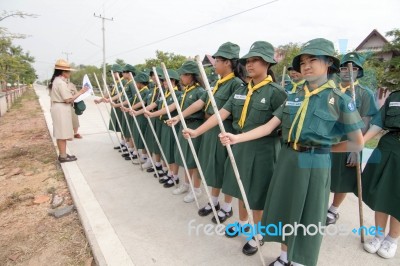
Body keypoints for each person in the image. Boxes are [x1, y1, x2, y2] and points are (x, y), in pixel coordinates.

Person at [219, 38, 364, 266]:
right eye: (303, 61)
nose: (306, 65)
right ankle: (284, 255)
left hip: (314, 163)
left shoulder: (340, 100)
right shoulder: (294, 97)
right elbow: (268, 127)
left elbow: (357, 142)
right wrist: (237, 137)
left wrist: (325, 149)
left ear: (329, 63)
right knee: (285, 207)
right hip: (287, 158)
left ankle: (298, 260)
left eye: (313, 60)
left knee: (308, 213)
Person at [183, 41, 287, 255]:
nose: (250, 65)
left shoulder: (277, 92)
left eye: (255, 60)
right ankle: (241, 223)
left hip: (263, 150)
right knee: (241, 190)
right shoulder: (241, 90)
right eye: (248, 61)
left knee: (256, 195)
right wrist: (197, 131)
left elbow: (276, 128)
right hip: (240, 146)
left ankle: (257, 233)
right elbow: (222, 113)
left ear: (268, 63)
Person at [168, 42, 245, 223]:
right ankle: (214, 201)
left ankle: (226, 207)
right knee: (212, 167)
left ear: (228, 62)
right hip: (210, 128)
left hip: (224, 129)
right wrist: (179, 117)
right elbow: (200, 103)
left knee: (224, 169)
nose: (215, 63)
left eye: (218, 60)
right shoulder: (216, 82)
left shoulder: (236, 84)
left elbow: (226, 112)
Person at [327, 52, 378, 225]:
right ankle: (319, 205)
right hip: (328, 140)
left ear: (359, 71)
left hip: (348, 141)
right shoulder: (330, 90)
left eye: (353, 68)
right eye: (343, 67)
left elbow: (366, 121)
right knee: (323, 173)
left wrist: (356, 148)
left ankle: (333, 210)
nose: (347, 71)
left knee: (343, 178)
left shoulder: (364, 94)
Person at [361, 89, 400, 259]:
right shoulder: (395, 96)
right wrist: (361, 141)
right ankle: (378, 235)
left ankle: (392, 239)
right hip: (388, 146)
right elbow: (379, 122)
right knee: (381, 191)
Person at [163, 61, 206, 203]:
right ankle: (186, 184)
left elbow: (198, 108)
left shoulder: (200, 91)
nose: (181, 77)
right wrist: (177, 119)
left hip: (194, 126)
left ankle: (197, 189)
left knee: (193, 160)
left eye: (183, 74)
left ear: (191, 75)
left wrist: (178, 118)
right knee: (185, 158)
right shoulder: (185, 91)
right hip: (184, 125)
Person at [143, 69, 182, 186]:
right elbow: (154, 104)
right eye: (164, 80)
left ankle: (174, 176)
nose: (164, 82)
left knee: (171, 151)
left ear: (173, 81)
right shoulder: (164, 93)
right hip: (162, 124)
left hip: (171, 126)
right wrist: (141, 111)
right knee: (165, 149)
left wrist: (152, 114)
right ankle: (168, 172)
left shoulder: (178, 94)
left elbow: (168, 109)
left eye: (167, 80)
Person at [48, 59, 88, 163]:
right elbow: (68, 99)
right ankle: (63, 156)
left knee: (61, 133)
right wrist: (81, 92)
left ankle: (63, 154)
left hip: (58, 107)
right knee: (62, 134)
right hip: (61, 108)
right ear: (63, 72)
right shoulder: (60, 83)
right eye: (68, 71)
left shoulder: (56, 81)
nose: (69, 73)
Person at [94, 64, 127, 150]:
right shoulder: (117, 82)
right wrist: (101, 99)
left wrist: (110, 99)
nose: (112, 74)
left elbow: (121, 94)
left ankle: (127, 144)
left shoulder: (123, 81)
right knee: (120, 125)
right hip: (115, 105)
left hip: (121, 106)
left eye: (114, 72)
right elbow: (110, 93)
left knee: (123, 126)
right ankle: (123, 143)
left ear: (119, 73)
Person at [126, 71, 150, 165]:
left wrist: (131, 108)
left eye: (137, 82)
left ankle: (144, 156)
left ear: (140, 82)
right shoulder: (140, 91)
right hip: (136, 114)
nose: (135, 84)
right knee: (137, 134)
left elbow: (143, 103)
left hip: (142, 116)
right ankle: (141, 154)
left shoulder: (146, 91)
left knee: (142, 135)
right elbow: (133, 100)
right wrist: (128, 108)